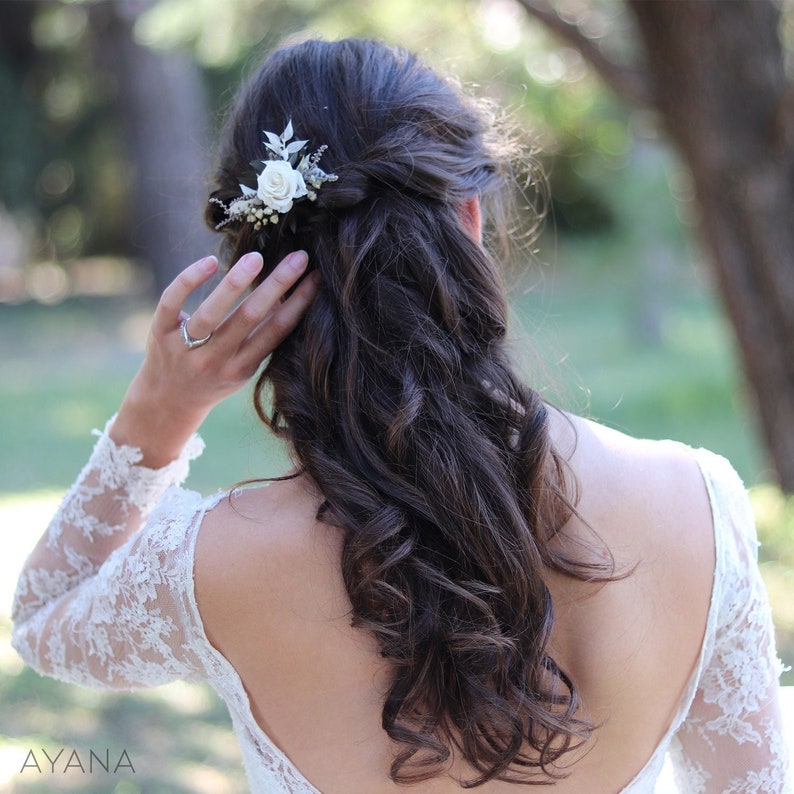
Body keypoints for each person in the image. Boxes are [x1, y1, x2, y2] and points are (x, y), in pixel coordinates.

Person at [11, 37, 790, 793]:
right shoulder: (698, 506)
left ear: (262, 278)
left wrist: (159, 408)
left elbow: (42, 617)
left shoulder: (214, 562)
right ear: (469, 222)